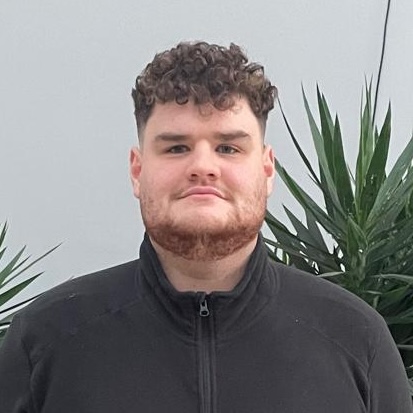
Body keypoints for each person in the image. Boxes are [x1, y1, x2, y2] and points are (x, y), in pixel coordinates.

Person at [0, 41, 411, 413]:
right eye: (176, 147)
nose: (202, 166)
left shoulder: (357, 341)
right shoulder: (45, 343)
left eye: (228, 147)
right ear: (137, 170)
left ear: (266, 169)